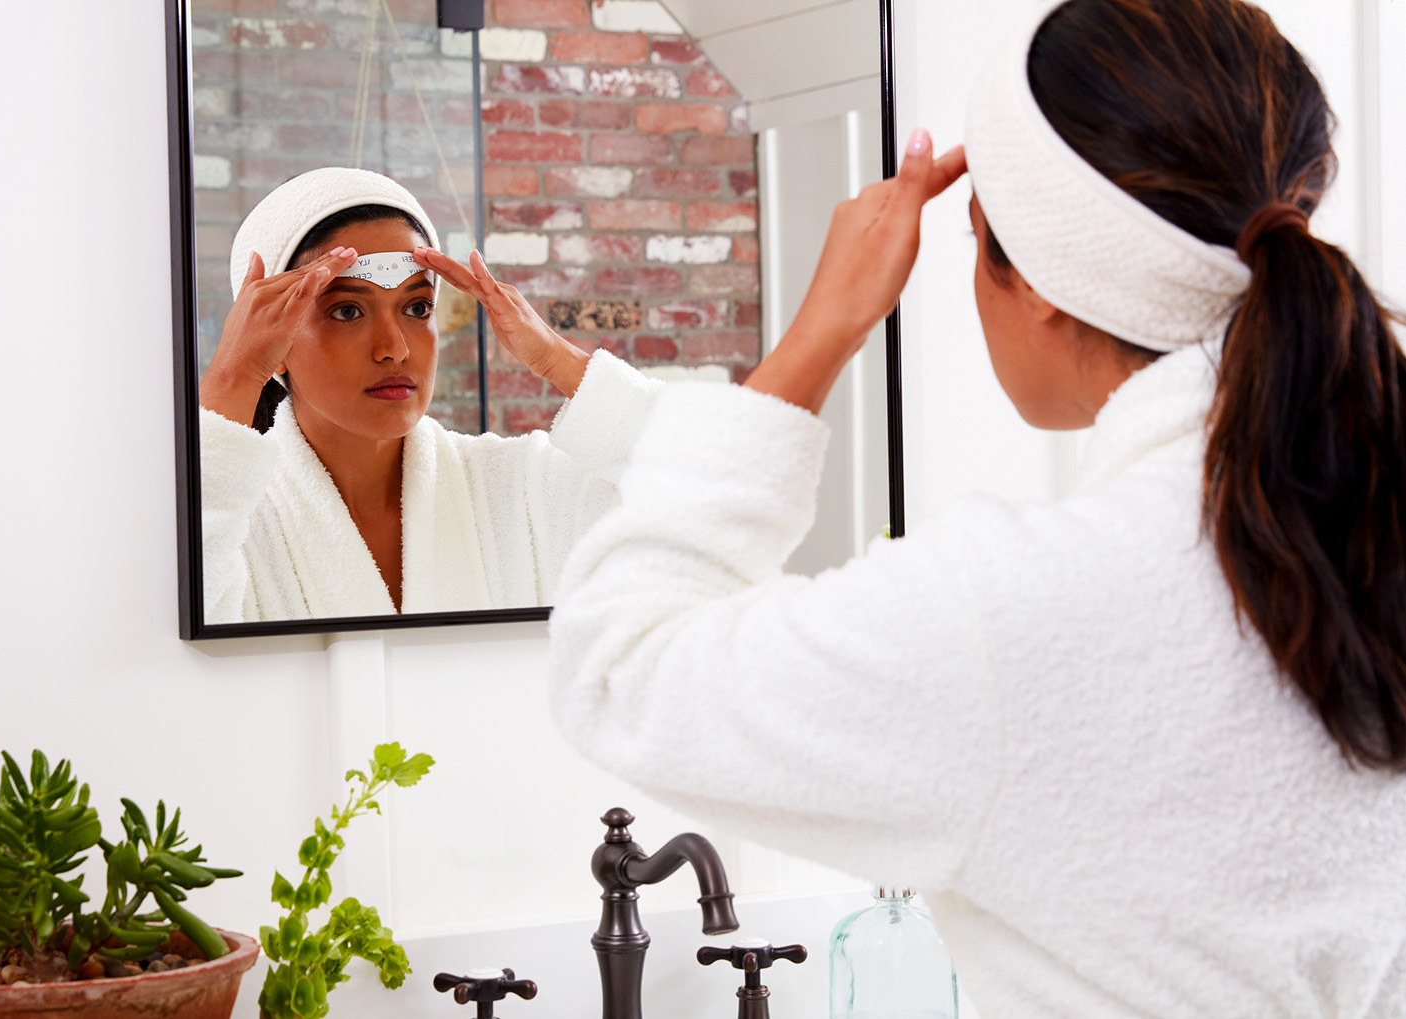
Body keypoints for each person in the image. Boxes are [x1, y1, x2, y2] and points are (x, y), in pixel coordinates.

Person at [546, 1, 1406, 1016]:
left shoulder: (1017, 617)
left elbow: (618, 668)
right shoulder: (1362, 524)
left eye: (974, 236)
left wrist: (819, 329)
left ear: (1038, 278)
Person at [198, 167, 661, 622]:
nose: (394, 349)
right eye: (346, 311)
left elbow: (715, 490)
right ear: (271, 343)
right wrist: (231, 377)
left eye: (418, 308)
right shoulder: (230, 520)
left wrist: (554, 357)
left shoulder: (521, 490)